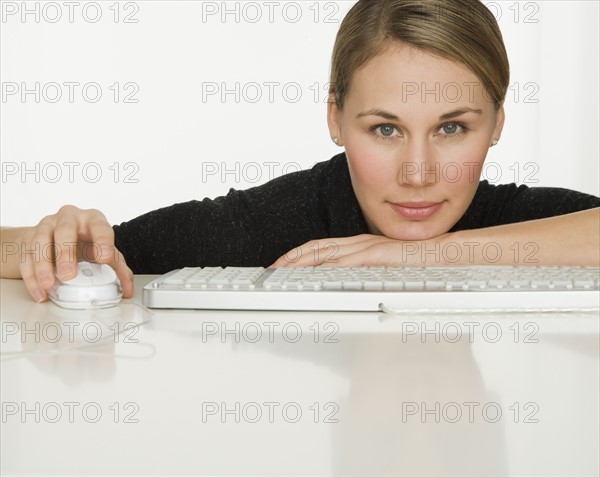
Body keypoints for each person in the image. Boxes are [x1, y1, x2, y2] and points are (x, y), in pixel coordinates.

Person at [2, 0, 599, 303]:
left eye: (452, 128)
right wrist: (55, 239)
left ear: (497, 123)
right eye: (385, 130)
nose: (418, 174)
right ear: (335, 118)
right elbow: (93, 252)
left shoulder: (523, 222)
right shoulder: (283, 221)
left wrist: (418, 258)